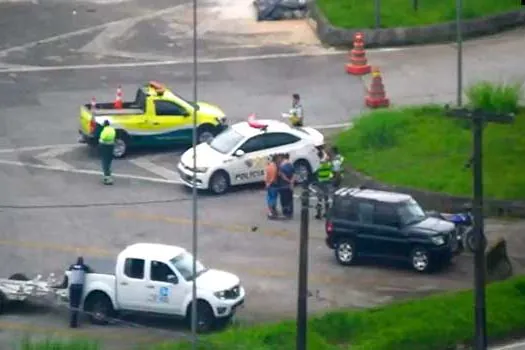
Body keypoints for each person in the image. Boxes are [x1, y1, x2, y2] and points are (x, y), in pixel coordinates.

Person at [68, 256, 91, 328]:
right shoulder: (84, 267)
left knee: (72, 305)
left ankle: (72, 322)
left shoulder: (72, 266)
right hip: (78, 288)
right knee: (76, 305)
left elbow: (69, 269)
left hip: (72, 287)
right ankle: (74, 323)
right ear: (82, 262)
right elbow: (89, 270)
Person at [314, 148, 333, 220]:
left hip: (320, 182)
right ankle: (327, 213)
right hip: (327, 181)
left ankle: (319, 214)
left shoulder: (318, 164)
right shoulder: (328, 163)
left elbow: (315, 173)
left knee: (319, 199)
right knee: (326, 198)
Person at [99, 120, 116, 185]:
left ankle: (107, 177)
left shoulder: (105, 130)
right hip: (111, 146)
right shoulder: (112, 130)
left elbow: (102, 137)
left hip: (104, 146)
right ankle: (108, 175)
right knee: (108, 161)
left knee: (104, 161)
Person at [278, 153, 295, 219]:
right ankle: (290, 212)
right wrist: (291, 182)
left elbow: (282, 175)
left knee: (284, 200)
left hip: (283, 186)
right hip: (290, 186)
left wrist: (288, 180)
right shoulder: (291, 165)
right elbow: (294, 174)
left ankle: (285, 213)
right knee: (290, 199)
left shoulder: (281, 166)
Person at [264, 154, 281, 219]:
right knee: (273, 198)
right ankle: (272, 212)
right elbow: (273, 177)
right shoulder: (274, 167)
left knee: (269, 198)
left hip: (269, 184)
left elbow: (265, 176)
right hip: (273, 184)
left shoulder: (268, 166)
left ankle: (271, 212)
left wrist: (267, 184)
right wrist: (270, 183)